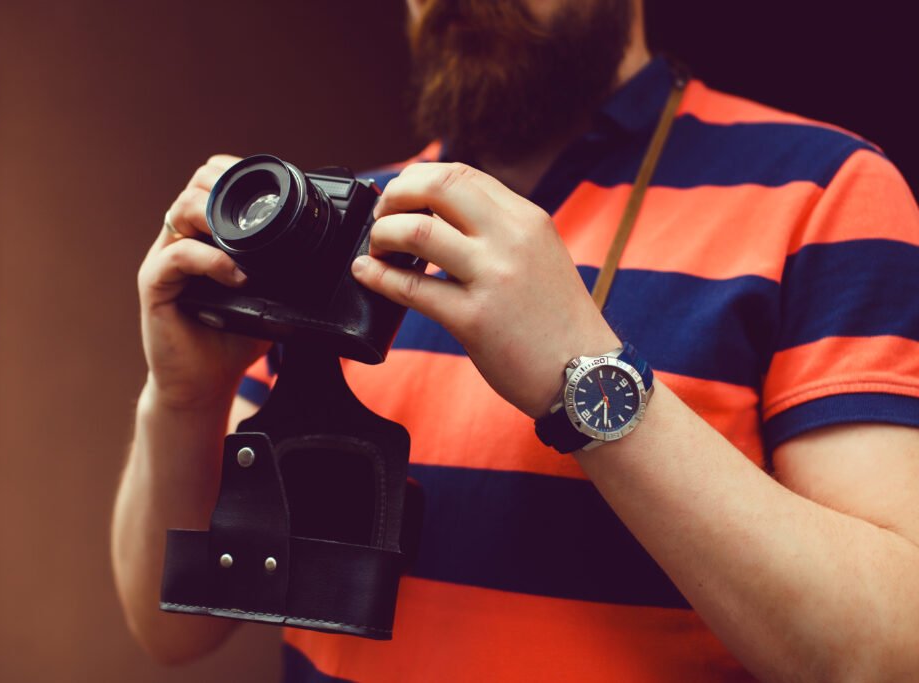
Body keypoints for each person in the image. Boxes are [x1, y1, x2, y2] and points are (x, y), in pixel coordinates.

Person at [112, 0, 919, 680]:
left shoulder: (827, 194)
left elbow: (888, 653)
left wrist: (585, 377)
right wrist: (181, 400)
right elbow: (173, 627)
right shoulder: (340, 227)